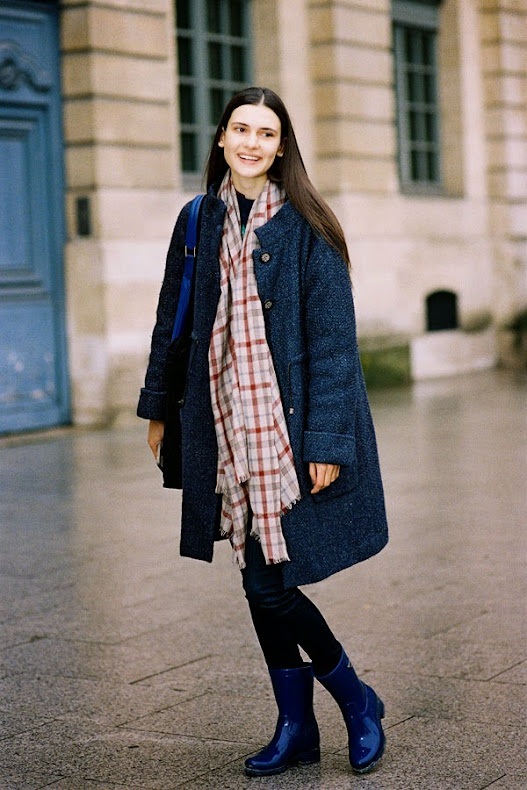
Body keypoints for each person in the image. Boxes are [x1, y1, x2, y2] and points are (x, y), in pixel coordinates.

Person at [137, 86, 389, 777]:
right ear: (221, 138)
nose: (251, 143)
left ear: (281, 148)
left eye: (266, 133)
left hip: (286, 430)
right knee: (257, 579)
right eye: (241, 129)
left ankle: (354, 699)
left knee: (266, 585)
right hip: (222, 425)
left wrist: (327, 441)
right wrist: (159, 408)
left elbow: (334, 346)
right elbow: (171, 319)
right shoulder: (198, 219)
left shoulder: (307, 225)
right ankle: (297, 726)